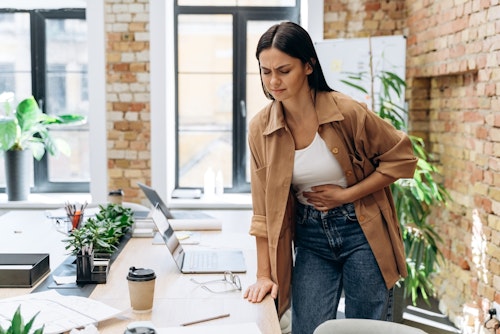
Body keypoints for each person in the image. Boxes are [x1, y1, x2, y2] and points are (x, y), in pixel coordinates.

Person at [242, 21, 418, 334]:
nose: (273, 81)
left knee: (366, 329)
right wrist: (263, 275)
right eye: (265, 71)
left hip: (362, 232)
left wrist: (347, 195)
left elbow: (402, 158)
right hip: (310, 237)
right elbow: (263, 212)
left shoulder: (347, 112)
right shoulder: (261, 129)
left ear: (308, 65)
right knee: (307, 328)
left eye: (284, 70)